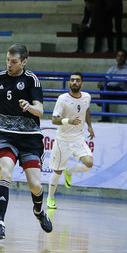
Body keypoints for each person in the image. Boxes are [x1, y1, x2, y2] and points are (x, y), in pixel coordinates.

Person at [0, 43, 53, 241]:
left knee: (35, 185)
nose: (9, 64)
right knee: (5, 171)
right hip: (5, 135)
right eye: (8, 60)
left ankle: (38, 211)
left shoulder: (31, 80)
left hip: (30, 139)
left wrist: (29, 107)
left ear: (24, 62)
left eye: (14, 62)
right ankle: (0, 224)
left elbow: (40, 111)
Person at [46, 72, 95, 210]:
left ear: (82, 83)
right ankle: (50, 197)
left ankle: (70, 171)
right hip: (63, 140)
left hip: (79, 138)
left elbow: (86, 110)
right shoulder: (62, 99)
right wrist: (69, 121)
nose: (74, 82)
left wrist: (90, 126)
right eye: (72, 80)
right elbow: (54, 120)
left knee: (89, 163)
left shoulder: (86, 97)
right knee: (57, 171)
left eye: (77, 80)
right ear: (69, 83)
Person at [98, 49, 127, 121]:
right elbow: (106, 78)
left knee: (104, 91)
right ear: (116, 58)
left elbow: (119, 82)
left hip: (124, 92)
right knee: (104, 90)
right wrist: (101, 83)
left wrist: (105, 84)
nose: (120, 58)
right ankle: (105, 115)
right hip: (113, 90)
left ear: (126, 58)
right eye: (118, 56)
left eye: (122, 56)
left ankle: (103, 108)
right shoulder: (113, 68)